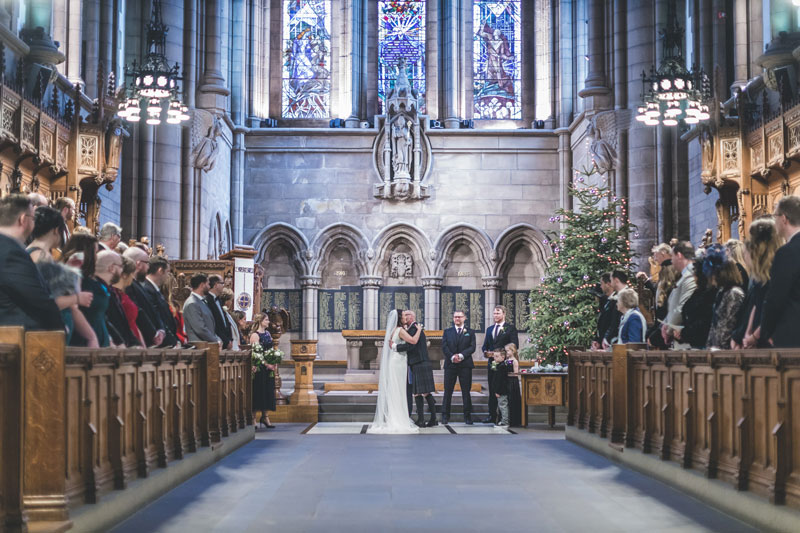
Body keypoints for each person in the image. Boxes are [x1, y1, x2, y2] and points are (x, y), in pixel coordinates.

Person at [27, 207, 96, 345]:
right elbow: (47, 302)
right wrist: (77, 298)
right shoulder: (41, 257)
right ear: (56, 230)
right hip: (47, 334)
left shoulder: (33, 252)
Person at [0, 195, 65, 331]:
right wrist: (59, 328)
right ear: (23, 219)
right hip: (17, 337)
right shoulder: (11, 252)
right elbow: (37, 298)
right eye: (33, 218)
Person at [732, 218, 782, 349]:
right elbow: (755, 305)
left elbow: (776, 311)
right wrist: (746, 335)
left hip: (772, 340)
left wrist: (754, 336)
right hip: (756, 338)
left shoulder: (780, 270)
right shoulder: (759, 277)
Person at [368, 309, 420, 434]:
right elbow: (413, 341)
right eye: (403, 316)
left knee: (395, 390)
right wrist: (419, 330)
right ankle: (399, 419)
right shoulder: (400, 330)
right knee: (399, 390)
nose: (405, 318)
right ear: (399, 319)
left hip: (394, 361)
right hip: (399, 362)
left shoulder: (392, 330)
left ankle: (394, 417)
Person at [761, 196, 800, 347]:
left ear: (784, 219)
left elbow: (776, 297)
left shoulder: (787, 252)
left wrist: (767, 332)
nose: (774, 221)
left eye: (774, 216)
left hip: (792, 335)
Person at [395, 310, 437, 427]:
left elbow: (411, 345)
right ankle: (424, 419)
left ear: (411, 317)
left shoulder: (414, 329)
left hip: (420, 362)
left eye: (405, 315)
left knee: (423, 392)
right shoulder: (412, 329)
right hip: (418, 363)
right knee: (419, 393)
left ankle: (428, 419)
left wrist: (396, 347)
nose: (404, 317)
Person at [481, 305, 519, 424]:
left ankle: (505, 417)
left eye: (498, 313)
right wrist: (486, 352)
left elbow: (514, 345)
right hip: (492, 363)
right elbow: (485, 345)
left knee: (502, 390)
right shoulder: (490, 329)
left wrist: (500, 353)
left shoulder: (510, 328)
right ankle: (492, 415)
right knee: (492, 388)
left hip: (504, 364)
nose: (495, 316)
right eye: (494, 313)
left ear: (504, 314)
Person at [95, 251, 141, 347]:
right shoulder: (96, 288)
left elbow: (123, 323)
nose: (121, 271)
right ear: (111, 268)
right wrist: (117, 341)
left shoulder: (110, 290)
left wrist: (134, 343)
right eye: (120, 267)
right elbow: (103, 320)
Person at [123, 247, 166, 347]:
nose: (148, 268)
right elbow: (138, 311)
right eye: (147, 263)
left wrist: (160, 330)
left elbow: (152, 310)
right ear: (138, 264)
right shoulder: (128, 285)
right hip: (139, 340)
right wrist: (153, 334)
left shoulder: (138, 284)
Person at [704, 245, 745, 350]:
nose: (711, 280)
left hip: (726, 349)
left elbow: (729, 323)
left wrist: (718, 347)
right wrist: (709, 346)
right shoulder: (722, 292)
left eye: (713, 275)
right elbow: (715, 324)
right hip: (715, 348)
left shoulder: (735, 293)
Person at [440, 309, 476, 425]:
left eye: (459, 317)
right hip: (451, 365)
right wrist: (452, 357)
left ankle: (467, 416)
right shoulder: (447, 332)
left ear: (464, 318)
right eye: (455, 317)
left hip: (465, 365)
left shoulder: (470, 332)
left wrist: (461, 355)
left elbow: (472, 347)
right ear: (453, 318)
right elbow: (444, 347)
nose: (457, 319)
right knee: (448, 391)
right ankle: (445, 416)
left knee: (466, 391)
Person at [674, 258, 716, 350]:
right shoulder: (698, 291)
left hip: (704, 343)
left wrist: (684, 333)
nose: (694, 278)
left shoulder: (710, 294)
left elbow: (704, 321)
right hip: (693, 342)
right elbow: (687, 310)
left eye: (695, 275)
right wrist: (681, 332)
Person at [79, 250, 117, 347]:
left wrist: (109, 339)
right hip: (85, 342)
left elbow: (102, 317)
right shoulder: (86, 283)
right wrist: (91, 337)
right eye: (95, 251)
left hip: (101, 340)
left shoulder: (97, 284)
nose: (97, 257)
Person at [662, 241, 697, 345]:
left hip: (682, 334)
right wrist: (665, 324)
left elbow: (683, 306)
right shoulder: (685, 276)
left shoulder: (691, 275)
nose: (671, 261)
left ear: (679, 255)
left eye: (672, 257)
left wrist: (668, 329)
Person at [249, 313, 276, 429]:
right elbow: (256, 353)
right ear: (260, 321)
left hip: (268, 368)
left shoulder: (268, 334)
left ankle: (265, 417)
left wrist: (274, 361)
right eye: (266, 320)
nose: (268, 322)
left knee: (268, 391)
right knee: (258, 392)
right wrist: (266, 363)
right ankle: (253, 418)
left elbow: (271, 349)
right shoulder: (255, 335)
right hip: (259, 367)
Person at [113, 256, 147, 347]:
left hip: (134, 338)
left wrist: (141, 343)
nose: (133, 277)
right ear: (124, 274)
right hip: (124, 341)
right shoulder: (114, 294)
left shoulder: (124, 293)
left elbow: (133, 322)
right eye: (132, 273)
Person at [182, 273, 220, 344]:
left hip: (206, 345)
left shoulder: (201, 301)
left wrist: (217, 338)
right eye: (208, 284)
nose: (209, 287)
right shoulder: (192, 303)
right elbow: (200, 328)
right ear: (202, 285)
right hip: (198, 347)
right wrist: (215, 340)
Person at [205, 274, 233, 349]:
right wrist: (225, 340)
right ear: (216, 285)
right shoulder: (207, 301)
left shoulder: (219, 300)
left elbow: (225, 321)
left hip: (226, 341)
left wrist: (230, 339)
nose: (223, 286)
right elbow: (215, 323)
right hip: (217, 342)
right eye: (222, 283)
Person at [592, 273, 616, 350]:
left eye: (602, 283)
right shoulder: (607, 301)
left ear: (608, 284)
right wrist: (597, 340)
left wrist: (606, 339)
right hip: (602, 342)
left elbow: (612, 324)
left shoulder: (615, 301)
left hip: (609, 343)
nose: (601, 286)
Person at [490, 350, 510, 427]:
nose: (494, 358)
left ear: (503, 357)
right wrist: (494, 366)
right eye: (494, 356)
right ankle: (502, 420)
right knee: (500, 405)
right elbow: (494, 375)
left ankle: (505, 421)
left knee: (503, 405)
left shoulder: (502, 366)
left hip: (501, 390)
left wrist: (498, 391)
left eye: (497, 356)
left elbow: (500, 380)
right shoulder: (498, 365)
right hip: (498, 390)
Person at [504, 343, 522, 427]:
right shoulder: (506, 360)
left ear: (513, 351)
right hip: (506, 382)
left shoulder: (514, 361)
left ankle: (514, 420)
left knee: (512, 400)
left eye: (507, 350)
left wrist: (506, 374)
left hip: (512, 383)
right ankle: (506, 419)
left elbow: (515, 374)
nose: (506, 352)